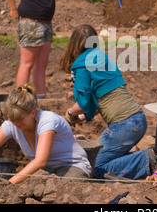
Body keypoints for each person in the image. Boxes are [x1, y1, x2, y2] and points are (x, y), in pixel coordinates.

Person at [58, 24, 147, 179]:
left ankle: (147, 159)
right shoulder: (103, 59)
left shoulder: (81, 64)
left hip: (123, 125)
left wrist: (68, 116)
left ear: (73, 44)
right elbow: (104, 96)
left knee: (92, 167)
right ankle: (142, 160)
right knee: (108, 160)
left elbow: (83, 103)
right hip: (138, 119)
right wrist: (87, 115)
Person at [0, 84, 91, 184]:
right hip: (45, 170)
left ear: (32, 113)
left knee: (61, 190)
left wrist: (9, 184)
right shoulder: (12, 123)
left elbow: (40, 161)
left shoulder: (47, 121)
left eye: (21, 119)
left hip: (71, 165)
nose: (17, 123)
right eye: (13, 119)